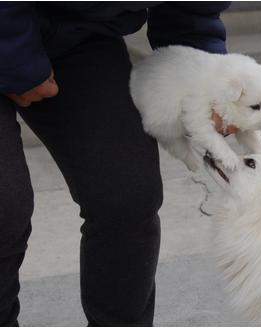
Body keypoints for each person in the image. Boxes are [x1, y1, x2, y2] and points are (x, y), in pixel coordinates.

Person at [0, 2, 232, 326]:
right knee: (4, 206)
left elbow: (191, 11)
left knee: (127, 193)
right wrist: (16, 56)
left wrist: (203, 78)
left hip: (76, 35)